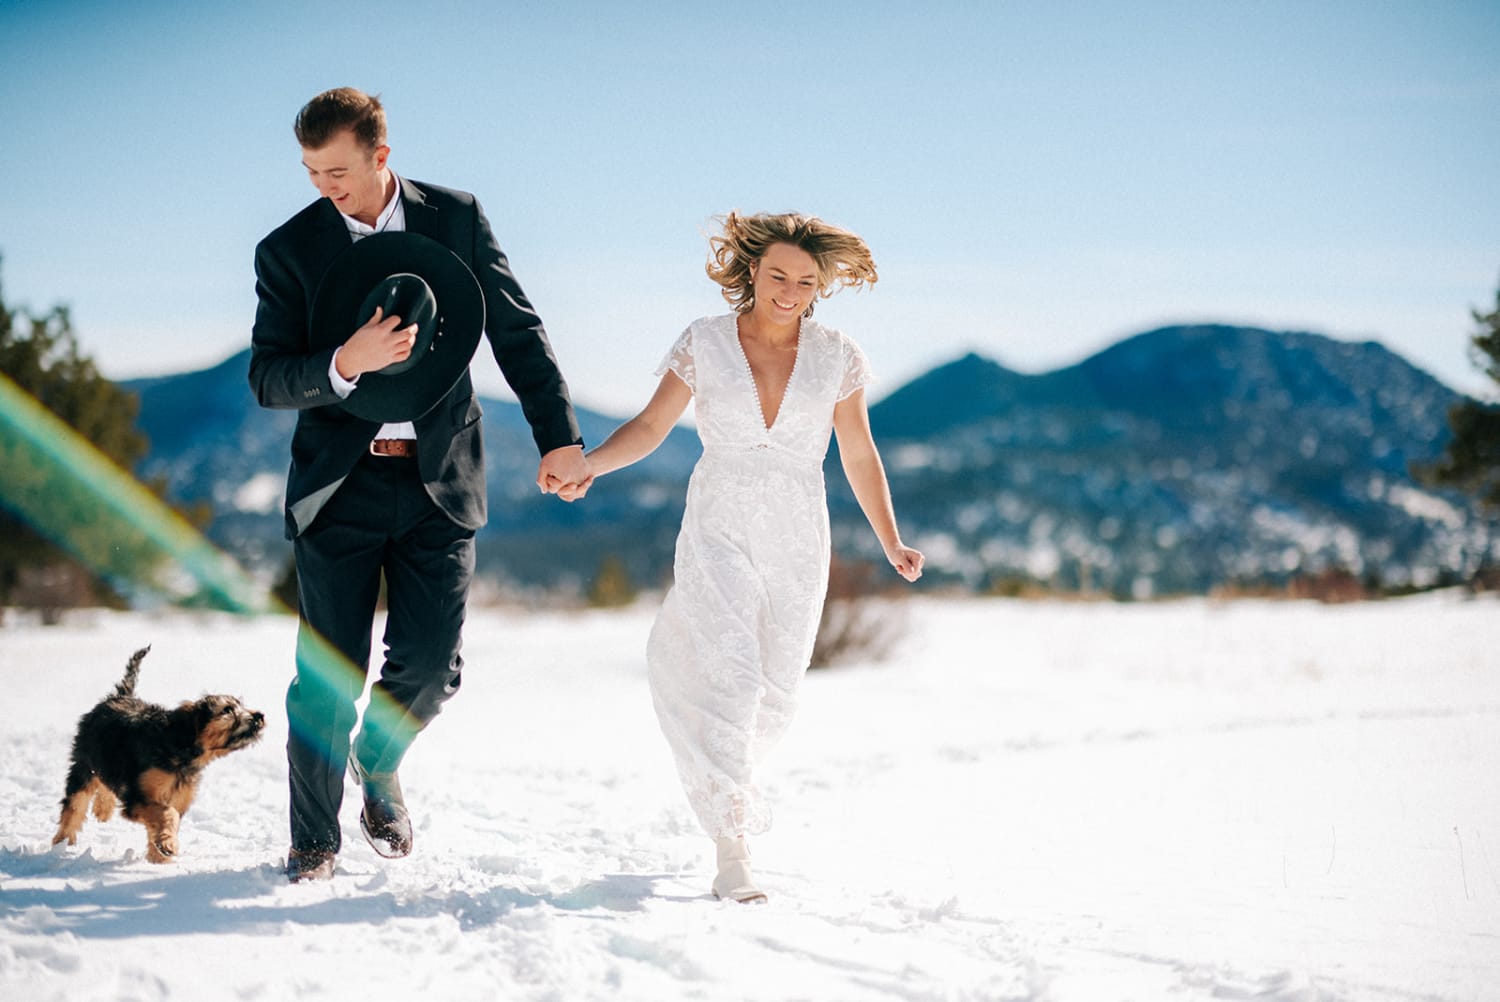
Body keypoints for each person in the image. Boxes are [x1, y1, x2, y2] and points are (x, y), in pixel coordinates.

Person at [249, 87, 588, 883]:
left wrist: (560, 439)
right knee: (329, 674)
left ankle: (379, 758)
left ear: (380, 156)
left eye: (336, 169)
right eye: (310, 171)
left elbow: (517, 330)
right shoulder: (287, 250)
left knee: (433, 668)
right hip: (339, 488)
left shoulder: (455, 218)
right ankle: (314, 843)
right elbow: (268, 377)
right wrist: (344, 364)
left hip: (441, 480)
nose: (323, 186)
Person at [558, 211, 924, 902]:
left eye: (805, 281)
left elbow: (858, 452)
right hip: (719, 520)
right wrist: (593, 465)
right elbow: (651, 425)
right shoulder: (703, 342)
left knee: (774, 693)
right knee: (731, 670)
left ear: (820, 287)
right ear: (752, 270)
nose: (789, 290)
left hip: (797, 532)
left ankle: (720, 776)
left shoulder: (837, 355)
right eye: (778, 274)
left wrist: (890, 539)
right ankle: (733, 850)